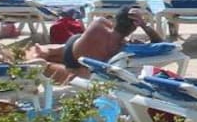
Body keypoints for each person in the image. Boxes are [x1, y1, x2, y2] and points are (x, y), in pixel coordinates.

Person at [31, 6, 161, 76]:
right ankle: (47, 56)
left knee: (73, 44)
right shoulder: (123, 48)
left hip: (73, 47)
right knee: (75, 58)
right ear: (134, 27)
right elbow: (160, 45)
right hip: (79, 65)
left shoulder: (99, 23)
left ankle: (47, 52)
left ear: (116, 20)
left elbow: (113, 32)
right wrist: (144, 26)